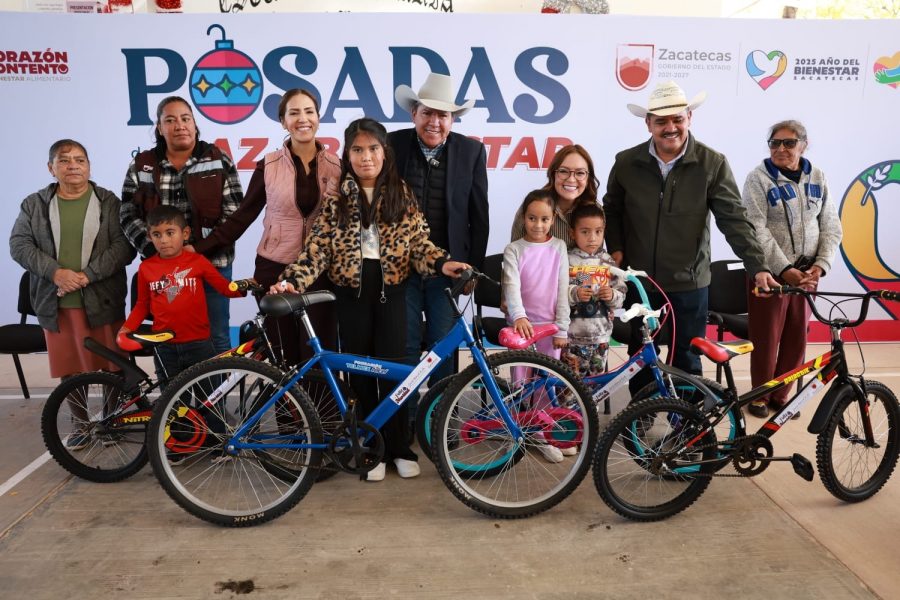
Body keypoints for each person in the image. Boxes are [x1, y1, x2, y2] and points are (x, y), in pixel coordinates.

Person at [276, 117, 470, 482]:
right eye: (358, 150)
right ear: (348, 155)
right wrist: (291, 281)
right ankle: (369, 447)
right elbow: (316, 251)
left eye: (373, 149)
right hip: (351, 298)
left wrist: (442, 262)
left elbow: (419, 244)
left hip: (393, 295)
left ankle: (399, 447)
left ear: (385, 153)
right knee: (360, 374)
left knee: (397, 372)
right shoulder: (336, 200)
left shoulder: (401, 194)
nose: (366, 157)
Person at [602, 81, 777, 377]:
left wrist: (757, 264)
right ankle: (643, 403)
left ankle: (687, 407)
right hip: (640, 281)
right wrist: (616, 249)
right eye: (661, 121)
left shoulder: (712, 163)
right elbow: (612, 210)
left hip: (690, 282)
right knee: (641, 353)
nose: (670, 128)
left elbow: (734, 219)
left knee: (688, 355)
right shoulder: (626, 162)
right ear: (648, 124)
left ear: (689, 118)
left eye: (677, 119)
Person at [195, 88, 341, 365]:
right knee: (282, 355)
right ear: (283, 122)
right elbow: (242, 216)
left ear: (318, 117)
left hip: (320, 270)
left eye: (309, 111)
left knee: (318, 355)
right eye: (294, 113)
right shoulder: (269, 165)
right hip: (273, 269)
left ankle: (319, 399)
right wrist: (198, 249)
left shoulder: (337, 166)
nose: (303, 119)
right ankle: (286, 397)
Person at [10, 139, 134, 447]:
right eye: (64, 160)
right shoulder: (34, 204)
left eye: (80, 160)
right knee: (71, 367)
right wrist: (57, 273)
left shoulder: (109, 202)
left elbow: (124, 246)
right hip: (58, 301)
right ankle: (81, 424)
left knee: (112, 363)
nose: (73, 165)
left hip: (102, 297)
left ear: (89, 166)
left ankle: (111, 421)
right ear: (51, 168)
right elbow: (19, 244)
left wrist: (87, 275)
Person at [389, 72, 490, 407]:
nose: (434, 122)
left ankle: (438, 421)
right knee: (403, 346)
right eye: (427, 113)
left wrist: (473, 269)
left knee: (443, 347)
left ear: (453, 119)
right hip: (400, 269)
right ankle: (402, 421)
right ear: (413, 114)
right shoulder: (390, 145)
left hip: (449, 270)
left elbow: (479, 215)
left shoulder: (472, 151)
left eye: (442, 115)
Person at [120, 95, 244, 354]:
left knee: (217, 337)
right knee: (168, 337)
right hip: (162, 270)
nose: (179, 125)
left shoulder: (218, 159)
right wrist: (156, 251)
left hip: (213, 263)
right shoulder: (142, 164)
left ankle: (217, 384)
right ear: (159, 128)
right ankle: (175, 383)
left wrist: (196, 251)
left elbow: (234, 215)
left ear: (194, 124)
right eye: (170, 120)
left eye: (185, 118)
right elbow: (128, 213)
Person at [741, 120, 842, 418]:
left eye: (789, 142)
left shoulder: (818, 176)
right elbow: (756, 229)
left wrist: (821, 265)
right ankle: (760, 395)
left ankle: (781, 394)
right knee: (767, 336)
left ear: (804, 145)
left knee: (797, 336)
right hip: (770, 273)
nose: (781, 148)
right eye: (775, 143)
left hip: (808, 274)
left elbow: (831, 225)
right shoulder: (757, 179)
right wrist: (783, 268)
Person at [120, 205, 246, 382]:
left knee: (209, 395)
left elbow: (225, 288)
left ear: (185, 234)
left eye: (170, 233)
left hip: (200, 344)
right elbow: (142, 305)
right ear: (149, 237)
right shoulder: (146, 268)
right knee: (172, 398)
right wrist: (126, 328)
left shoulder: (198, 261)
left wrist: (249, 286)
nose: (164, 240)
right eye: (157, 234)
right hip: (164, 346)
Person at [501, 189, 570, 463]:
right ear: (523, 218)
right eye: (532, 218)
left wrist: (562, 328)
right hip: (521, 329)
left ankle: (541, 435)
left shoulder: (559, 247)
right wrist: (519, 317)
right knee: (520, 383)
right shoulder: (514, 249)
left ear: (552, 219)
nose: (538, 225)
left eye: (544, 219)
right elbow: (511, 285)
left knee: (545, 385)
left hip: (549, 329)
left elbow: (563, 288)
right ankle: (515, 433)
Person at [562, 202, 626, 379]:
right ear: (572, 233)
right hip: (571, 337)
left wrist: (612, 295)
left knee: (596, 385)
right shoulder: (567, 260)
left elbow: (621, 294)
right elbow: (557, 293)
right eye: (585, 232)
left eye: (598, 232)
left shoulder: (608, 262)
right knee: (570, 385)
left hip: (601, 337)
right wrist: (575, 293)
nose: (592, 238)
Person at [510, 144, 601, 245]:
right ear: (553, 174)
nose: (571, 179)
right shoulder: (533, 205)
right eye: (563, 171)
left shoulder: (596, 210)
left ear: (588, 179)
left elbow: (596, 252)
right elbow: (516, 250)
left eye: (580, 173)